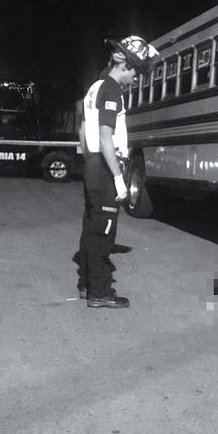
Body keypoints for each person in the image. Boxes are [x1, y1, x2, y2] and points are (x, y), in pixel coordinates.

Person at [76, 35, 157, 308]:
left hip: (94, 164)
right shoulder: (111, 90)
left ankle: (87, 284)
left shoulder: (94, 88)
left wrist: (91, 162)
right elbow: (105, 136)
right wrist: (117, 177)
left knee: (91, 226)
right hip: (106, 167)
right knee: (103, 231)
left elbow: (82, 133)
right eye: (136, 71)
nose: (136, 78)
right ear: (124, 64)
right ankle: (100, 292)